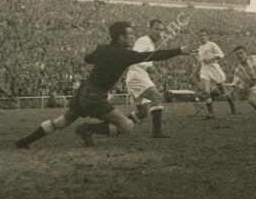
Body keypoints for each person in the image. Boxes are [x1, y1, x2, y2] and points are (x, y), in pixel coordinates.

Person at [15, 21, 196, 149]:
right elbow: (153, 56)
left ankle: (25, 140)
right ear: (120, 38)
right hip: (95, 96)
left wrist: (99, 57)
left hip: (83, 91)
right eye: (130, 35)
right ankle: (88, 129)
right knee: (127, 126)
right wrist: (180, 51)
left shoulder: (102, 48)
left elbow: (87, 59)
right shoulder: (125, 54)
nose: (133, 37)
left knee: (60, 122)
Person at [125, 19, 169, 138]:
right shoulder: (144, 40)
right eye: (156, 29)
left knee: (143, 113)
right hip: (136, 74)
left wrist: (150, 68)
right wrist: (147, 67)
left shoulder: (151, 44)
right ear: (149, 29)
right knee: (157, 97)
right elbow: (134, 57)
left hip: (138, 75)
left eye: (161, 30)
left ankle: (120, 124)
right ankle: (157, 132)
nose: (159, 32)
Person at [196, 29, 236, 120]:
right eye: (200, 35)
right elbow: (200, 60)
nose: (202, 37)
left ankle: (232, 106)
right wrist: (197, 68)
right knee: (205, 92)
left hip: (214, 68)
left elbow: (221, 54)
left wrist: (210, 60)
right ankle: (211, 113)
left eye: (204, 35)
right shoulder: (199, 48)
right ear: (198, 37)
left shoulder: (212, 44)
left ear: (207, 36)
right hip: (205, 69)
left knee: (224, 92)